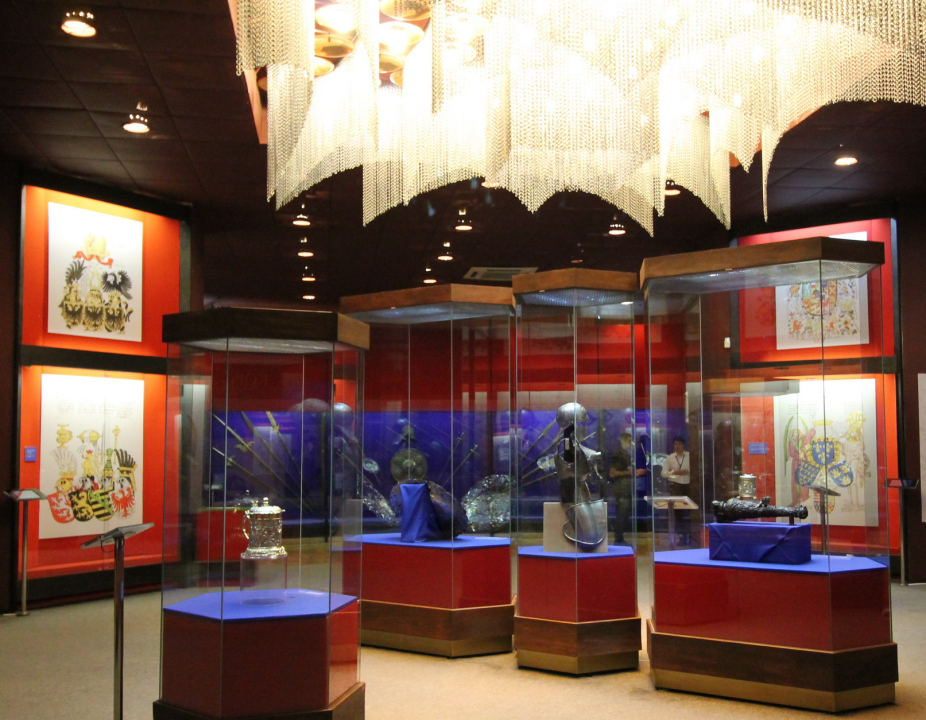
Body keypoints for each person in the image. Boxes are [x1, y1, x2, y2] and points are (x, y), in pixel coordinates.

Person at [660, 436, 692, 545]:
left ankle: (693, 536)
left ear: (683, 445)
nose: (677, 446)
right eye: (675, 444)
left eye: (679, 444)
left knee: (692, 511)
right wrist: (674, 472)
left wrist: (687, 472)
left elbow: (696, 469)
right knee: (678, 513)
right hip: (677, 485)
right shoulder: (670, 458)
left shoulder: (689, 456)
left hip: (690, 485)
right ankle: (682, 537)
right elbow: (663, 473)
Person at [609, 433, 634, 542]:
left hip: (627, 489)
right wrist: (630, 472)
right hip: (622, 489)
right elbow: (613, 473)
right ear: (622, 441)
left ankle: (620, 537)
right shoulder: (618, 455)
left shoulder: (627, 454)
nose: (631, 443)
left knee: (625, 514)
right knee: (622, 514)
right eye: (628, 441)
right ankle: (618, 537)